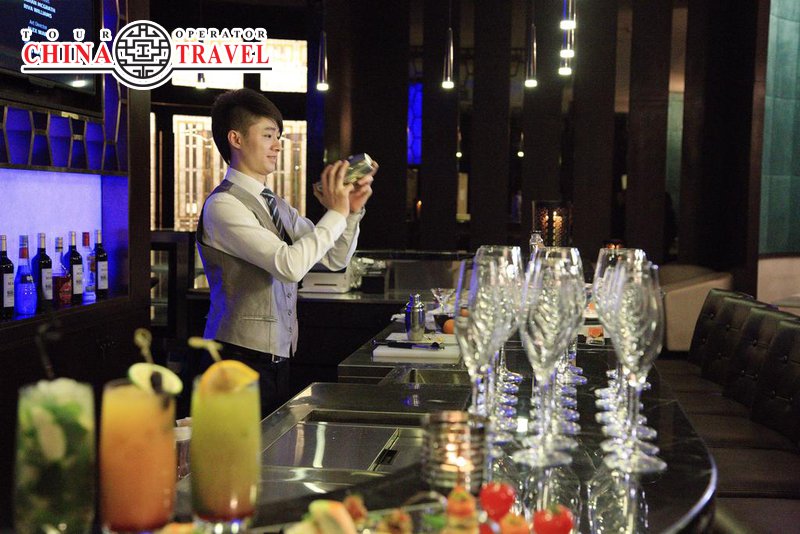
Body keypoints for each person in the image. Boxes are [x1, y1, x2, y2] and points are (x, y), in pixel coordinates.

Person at [196, 88, 375, 416]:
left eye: (277, 136)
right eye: (267, 135)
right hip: (236, 358)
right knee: (240, 448)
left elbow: (334, 258)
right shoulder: (223, 205)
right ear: (235, 139)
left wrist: (349, 213)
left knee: (270, 447)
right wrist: (335, 212)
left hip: (277, 358)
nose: (277, 145)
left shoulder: (275, 204)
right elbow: (289, 265)